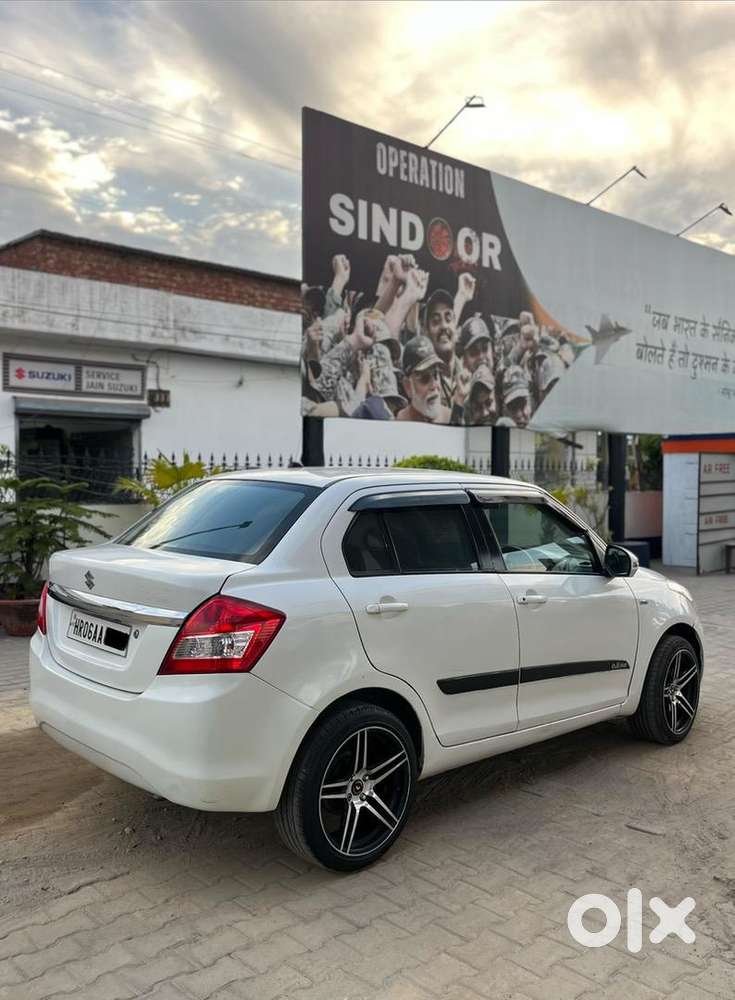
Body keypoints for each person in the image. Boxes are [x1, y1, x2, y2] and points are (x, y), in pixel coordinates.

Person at [397, 335, 451, 424]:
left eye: (436, 375)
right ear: (408, 386)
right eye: (424, 379)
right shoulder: (401, 423)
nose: (434, 386)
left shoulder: (450, 418)